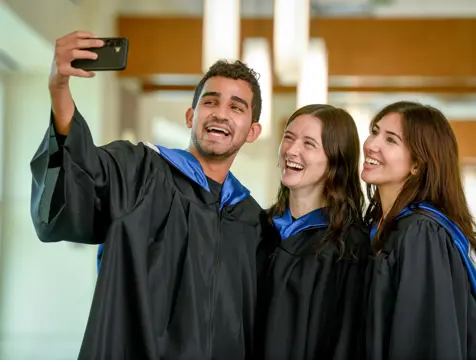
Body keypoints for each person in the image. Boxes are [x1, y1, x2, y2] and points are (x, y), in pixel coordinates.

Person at [30, 31, 271, 360]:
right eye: (210, 101)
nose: (221, 113)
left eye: (236, 107)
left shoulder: (252, 222)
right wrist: (59, 89)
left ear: (253, 131)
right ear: (191, 116)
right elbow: (80, 171)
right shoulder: (139, 171)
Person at [361, 101, 476, 360]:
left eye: (390, 140)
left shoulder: (422, 234)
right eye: (375, 131)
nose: (371, 144)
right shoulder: (384, 228)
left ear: (417, 165)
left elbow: (422, 341)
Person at [254, 104, 371, 359]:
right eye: (288, 137)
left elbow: (345, 343)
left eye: (309, 144)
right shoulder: (258, 229)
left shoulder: (351, 248)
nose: (292, 150)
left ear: (336, 159)